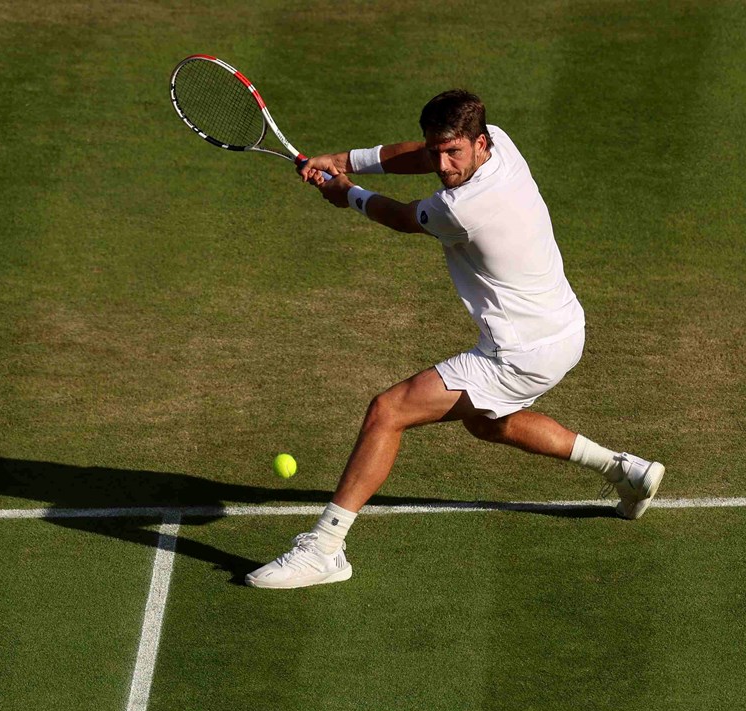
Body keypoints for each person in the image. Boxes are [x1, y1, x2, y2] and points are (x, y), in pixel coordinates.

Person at [246, 90, 665, 589]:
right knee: (490, 424)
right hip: (562, 330)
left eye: (453, 154)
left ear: (479, 143)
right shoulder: (502, 145)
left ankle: (325, 548)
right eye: (437, 152)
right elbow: (416, 154)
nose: (442, 165)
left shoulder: (463, 208)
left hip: (519, 352)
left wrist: (347, 193)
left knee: (389, 411)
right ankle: (624, 471)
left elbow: (403, 218)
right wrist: (341, 161)